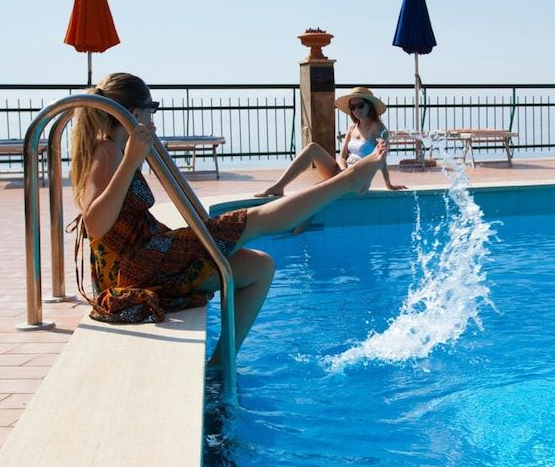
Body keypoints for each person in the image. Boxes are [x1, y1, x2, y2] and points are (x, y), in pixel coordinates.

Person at [69, 73, 385, 366]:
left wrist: (139, 155)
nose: (154, 117)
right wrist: (132, 160)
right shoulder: (107, 151)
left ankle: (221, 364)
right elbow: (95, 224)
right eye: (152, 108)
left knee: (259, 266)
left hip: (150, 256)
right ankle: (348, 181)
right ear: (135, 112)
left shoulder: (118, 148)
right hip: (136, 266)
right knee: (253, 220)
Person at [255, 86, 406, 197]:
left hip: (357, 178)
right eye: (352, 107)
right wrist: (342, 167)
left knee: (312, 193)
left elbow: (382, 159)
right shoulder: (352, 128)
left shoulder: (377, 128)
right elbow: (342, 157)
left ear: (369, 106)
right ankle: (278, 186)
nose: (356, 110)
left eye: (360, 105)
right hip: (343, 172)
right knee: (312, 148)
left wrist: (388, 183)